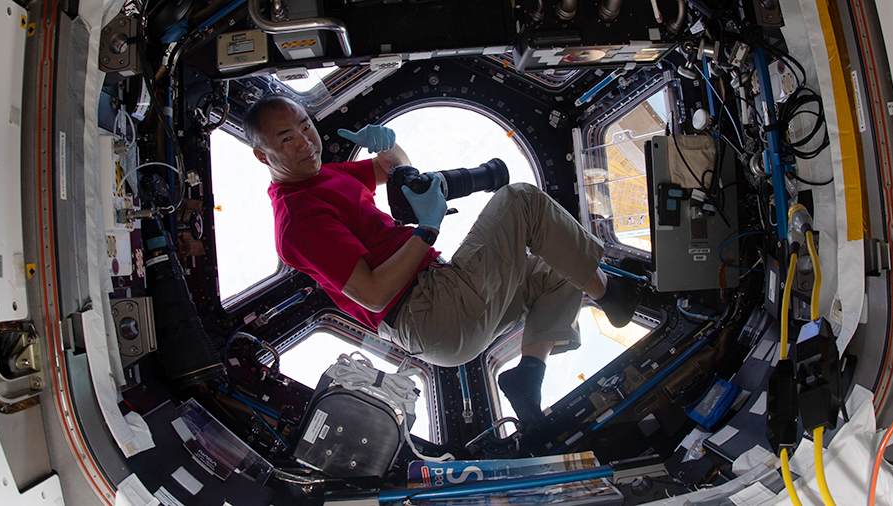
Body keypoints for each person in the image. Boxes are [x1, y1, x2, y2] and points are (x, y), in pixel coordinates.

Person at [243, 94, 641, 431]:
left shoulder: (327, 175)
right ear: (264, 155)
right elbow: (376, 295)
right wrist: (428, 228)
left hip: (448, 314)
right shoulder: (298, 219)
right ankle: (613, 299)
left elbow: (392, 167)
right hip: (425, 311)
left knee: (564, 265)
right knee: (521, 199)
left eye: (305, 126)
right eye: (286, 137)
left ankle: (528, 376)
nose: (305, 142)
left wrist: (385, 146)